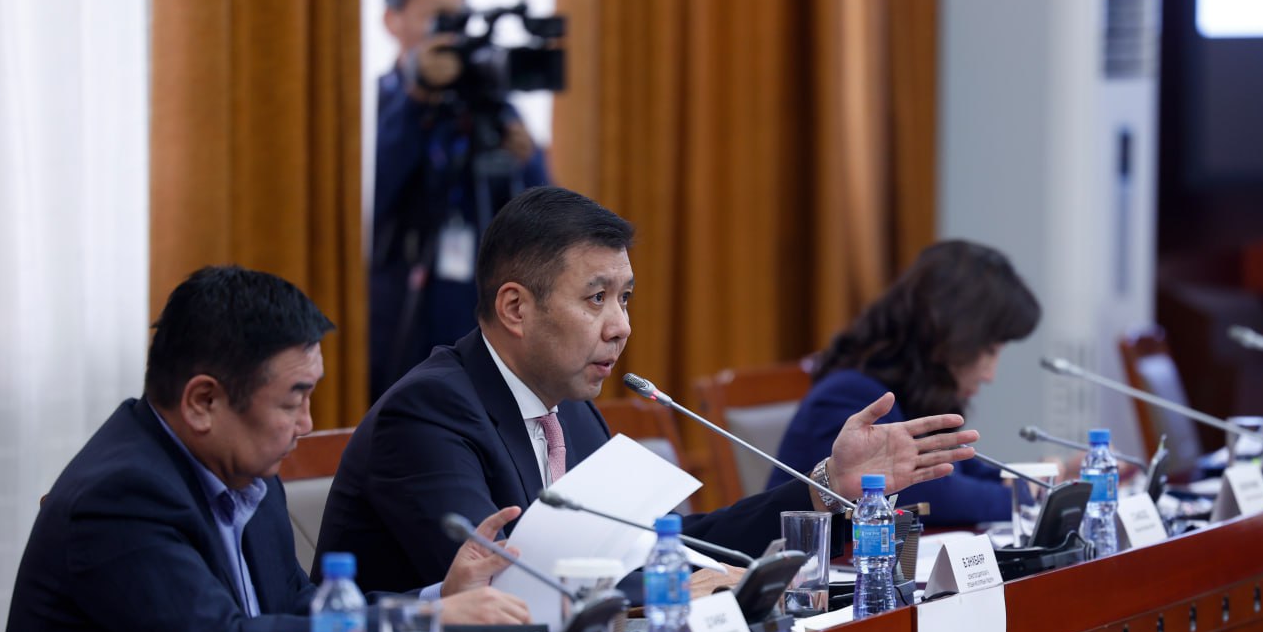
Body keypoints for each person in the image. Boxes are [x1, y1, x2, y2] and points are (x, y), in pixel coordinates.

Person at [316, 186, 979, 593]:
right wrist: (682, 586)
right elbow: (514, 582)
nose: (621, 326)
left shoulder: (572, 413)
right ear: (515, 307)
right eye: (596, 298)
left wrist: (825, 486)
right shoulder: (430, 413)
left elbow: (660, 545)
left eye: (625, 297)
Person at [3, 266, 528, 632]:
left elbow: (296, 608)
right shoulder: (121, 496)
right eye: (292, 401)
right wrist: (424, 626)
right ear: (203, 402)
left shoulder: (246, 475)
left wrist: (438, 600)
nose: (308, 424)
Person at [373, 0, 551, 399]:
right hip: (401, 305)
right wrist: (418, 97)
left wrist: (525, 156)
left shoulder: (487, 104)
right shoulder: (379, 102)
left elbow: (543, 208)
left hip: (477, 301)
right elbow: (374, 191)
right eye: (437, 19)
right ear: (392, 20)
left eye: (458, 18)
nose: (450, 34)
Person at [768, 240, 1042, 525]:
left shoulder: (912, 391)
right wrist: (1024, 498)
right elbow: (926, 494)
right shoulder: (851, 393)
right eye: (990, 350)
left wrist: (1034, 481)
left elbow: (959, 469)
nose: (989, 375)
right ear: (950, 334)